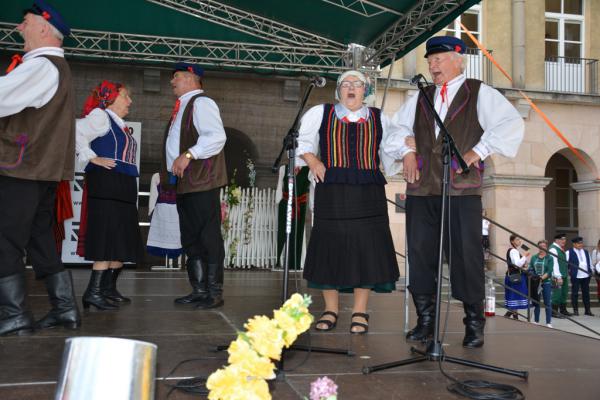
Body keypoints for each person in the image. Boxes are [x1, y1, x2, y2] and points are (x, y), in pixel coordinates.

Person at [386, 36, 524, 348]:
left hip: (462, 192)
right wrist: (406, 153)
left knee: (466, 257)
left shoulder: (479, 92)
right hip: (422, 190)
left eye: (439, 59)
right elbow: (397, 130)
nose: (433, 65)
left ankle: (474, 324)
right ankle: (426, 320)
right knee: (420, 255)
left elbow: (509, 123)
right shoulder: (420, 96)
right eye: (430, 60)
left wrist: (478, 151)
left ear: (458, 60)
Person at [297, 70, 400, 334]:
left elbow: (391, 150)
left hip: (369, 191)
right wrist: (313, 160)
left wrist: (407, 150)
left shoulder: (380, 118)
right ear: (338, 91)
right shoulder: (321, 113)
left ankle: (360, 311)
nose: (351, 88)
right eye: (345, 85)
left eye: (357, 84)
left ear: (365, 90)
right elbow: (303, 143)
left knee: (366, 249)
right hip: (332, 189)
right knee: (329, 247)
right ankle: (330, 310)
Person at [0, 0, 80, 335]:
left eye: (26, 22)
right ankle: (65, 310)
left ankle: (15, 314)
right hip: (41, 171)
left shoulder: (40, 67)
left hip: (22, 168)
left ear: (45, 28)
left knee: (4, 240)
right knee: (40, 240)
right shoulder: (53, 67)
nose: (20, 27)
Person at [161, 62, 227, 309]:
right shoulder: (184, 107)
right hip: (185, 183)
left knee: (208, 236)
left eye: (176, 76)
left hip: (201, 181)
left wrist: (188, 155)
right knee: (190, 237)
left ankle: (213, 291)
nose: (172, 81)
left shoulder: (201, 103)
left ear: (191, 78)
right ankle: (198, 289)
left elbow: (216, 137)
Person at [75, 81, 143, 310]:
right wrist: (91, 157)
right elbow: (77, 131)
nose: (130, 101)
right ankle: (93, 293)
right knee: (106, 237)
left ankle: (107, 289)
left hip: (121, 185)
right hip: (106, 184)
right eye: (126, 96)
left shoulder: (118, 123)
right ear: (111, 98)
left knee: (119, 238)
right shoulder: (100, 116)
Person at [528, 240, 553, 327]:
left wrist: (542, 278)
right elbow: (531, 268)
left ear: (546, 247)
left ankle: (548, 322)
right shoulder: (534, 257)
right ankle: (536, 320)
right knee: (536, 301)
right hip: (536, 283)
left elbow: (549, 271)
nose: (542, 248)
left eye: (544, 246)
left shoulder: (549, 258)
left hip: (546, 282)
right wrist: (534, 275)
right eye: (540, 246)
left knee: (547, 302)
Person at [567, 236, 594, 316]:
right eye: (579, 243)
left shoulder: (586, 252)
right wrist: (569, 271)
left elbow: (589, 262)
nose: (580, 245)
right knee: (575, 293)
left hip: (586, 275)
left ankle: (587, 310)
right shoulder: (569, 252)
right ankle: (576, 310)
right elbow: (565, 263)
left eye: (581, 243)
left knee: (586, 293)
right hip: (576, 276)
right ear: (574, 244)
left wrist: (591, 271)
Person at [504, 235, 529, 319]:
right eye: (517, 239)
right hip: (515, 276)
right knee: (515, 295)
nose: (519, 241)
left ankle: (514, 315)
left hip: (512, 275)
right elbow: (516, 264)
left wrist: (523, 263)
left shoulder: (514, 250)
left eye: (519, 239)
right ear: (512, 241)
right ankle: (511, 313)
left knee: (514, 296)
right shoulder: (513, 251)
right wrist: (525, 256)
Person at [549, 233, 570, 317]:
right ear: (556, 240)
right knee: (556, 293)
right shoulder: (553, 249)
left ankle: (563, 310)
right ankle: (554, 312)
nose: (564, 241)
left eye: (565, 239)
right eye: (562, 239)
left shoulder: (559, 248)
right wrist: (558, 276)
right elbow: (554, 264)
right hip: (557, 276)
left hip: (563, 275)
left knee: (564, 293)